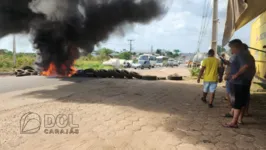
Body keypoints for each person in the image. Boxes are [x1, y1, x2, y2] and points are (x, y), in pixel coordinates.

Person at [223, 39, 256, 128]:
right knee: (241, 101)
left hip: (239, 82)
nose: (231, 50)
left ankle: (234, 122)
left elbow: (245, 66)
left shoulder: (241, 54)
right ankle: (237, 120)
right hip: (244, 81)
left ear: (236, 47)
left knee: (238, 102)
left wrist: (236, 75)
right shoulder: (247, 55)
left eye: (231, 48)